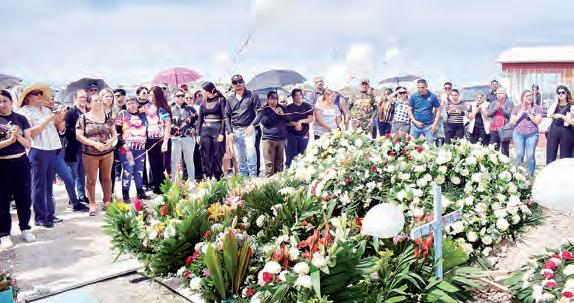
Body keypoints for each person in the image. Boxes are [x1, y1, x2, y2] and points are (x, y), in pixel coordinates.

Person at [17, 84, 62, 228]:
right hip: (37, 149)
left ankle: (49, 213)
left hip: (51, 148)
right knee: (38, 185)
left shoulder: (47, 110)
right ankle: (40, 217)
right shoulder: (24, 112)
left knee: (49, 184)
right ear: (28, 97)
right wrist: (49, 119)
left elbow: (59, 128)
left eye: (41, 93)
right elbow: (30, 133)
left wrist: (58, 119)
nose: (39, 95)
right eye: (36, 93)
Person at [0, 90, 36, 250]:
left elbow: (29, 143)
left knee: (24, 197)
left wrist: (18, 137)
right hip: (2, 165)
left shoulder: (20, 119)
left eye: (4, 101)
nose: (2, 105)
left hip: (21, 162)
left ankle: (25, 228)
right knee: (2, 201)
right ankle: (4, 234)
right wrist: (9, 141)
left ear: (11, 102)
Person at [42, 97, 88, 212]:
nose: (51, 101)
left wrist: (60, 120)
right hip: (42, 152)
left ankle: (74, 202)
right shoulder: (39, 114)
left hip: (57, 152)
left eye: (52, 98)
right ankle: (48, 210)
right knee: (46, 183)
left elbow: (62, 133)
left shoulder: (54, 114)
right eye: (49, 99)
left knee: (69, 178)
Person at [76, 92, 118, 215]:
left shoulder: (108, 117)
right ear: (88, 104)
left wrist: (111, 141)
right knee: (91, 180)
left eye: (100, 100)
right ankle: (92, 204)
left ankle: (107, 202)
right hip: (90, 154)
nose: (99, 103)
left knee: (106, 178)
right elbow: (78, 135)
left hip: (107, 152)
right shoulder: (83, 118)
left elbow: (114, 133)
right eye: (95, 101)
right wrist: (94, 144)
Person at [224, 74, 260, 177]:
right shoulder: (230, 99)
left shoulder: (252, 95)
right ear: (232, 85)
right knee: (240, 156)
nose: (238, 84)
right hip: (236, 130)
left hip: (249, 129)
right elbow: (226, 116)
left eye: (240, 82)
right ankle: (243, 181)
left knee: (251, 152)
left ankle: (253, 178)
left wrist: (253, 125)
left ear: (243, 82)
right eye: (235, 82)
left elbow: (260, 112)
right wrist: (230, 132)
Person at [115, 96, 149, 202]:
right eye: (129, 103)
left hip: (140, 149)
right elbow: (117, 132)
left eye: (133, 102)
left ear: (138, 104)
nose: (131, 105)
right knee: (128, 171)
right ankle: (125, 193)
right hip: (127, 150)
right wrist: (122, 144)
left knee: (139, 171)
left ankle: (140, 192)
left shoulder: (143, 116)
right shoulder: (123, 114)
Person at [141, 86, 172, 194]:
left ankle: (165, 187)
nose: (150, 97)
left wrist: (165, 142)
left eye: (152, 95)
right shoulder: (145, 107)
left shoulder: (163, 108)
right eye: (149, 94)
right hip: (150, 140)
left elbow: (168, 125)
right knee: (153, 164)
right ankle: (156, 186)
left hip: (161, 140)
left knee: (163, 165)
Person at [250, 91, 288, 177]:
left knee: (279, 162)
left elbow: (288, 119)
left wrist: (282, 114)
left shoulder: (282, 108)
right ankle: (270, 182)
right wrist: (275, 114)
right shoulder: (264, 109)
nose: (274, 100)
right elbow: (265, 122)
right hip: (268, 139)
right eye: (272, 98)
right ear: (267, 99)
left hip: (281, 139)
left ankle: (279, 180)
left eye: (276, 98)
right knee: (269, 163)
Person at [197, 82, 226, 179]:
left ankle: (218, 176)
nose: (202, 92)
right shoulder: (203, 102)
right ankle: (208, 176)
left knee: (217, 154)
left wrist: (222, 133)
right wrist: (198, 134)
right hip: (205, 130)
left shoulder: (221, 100)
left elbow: (224, 117)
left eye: (203, 90)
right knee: (206, 154)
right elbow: (200, 119)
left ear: (209, 90)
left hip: (217, 129)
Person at [509, 90, 542, 176]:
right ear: (522, 97)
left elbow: (538, 121)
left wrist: (530, 114)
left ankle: (530, 174)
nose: (530, 97)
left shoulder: (537, 108)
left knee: (530, 155)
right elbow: (512, 121)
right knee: (520, 154)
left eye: (531, 95)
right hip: (518, 134)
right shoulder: (517, 107)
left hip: (532, 134)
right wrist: (521, 112)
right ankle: (517, 174)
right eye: (527, 96)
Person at [65, 90, 89, 205]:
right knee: (72, 174)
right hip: (74, 147)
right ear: (76, 98)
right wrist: (79, 134)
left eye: (85, 97)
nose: (83, 99)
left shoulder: (89, 111)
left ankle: (82, 195)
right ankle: (72, 198)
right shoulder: (71, 112)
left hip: (85, 147)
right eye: (81, 97)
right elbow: (67, 130)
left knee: (82, 173)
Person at [170, 89, 198, 182]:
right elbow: (166, 122)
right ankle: (174, 183)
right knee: (175, 161)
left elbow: (197, 121)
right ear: (174, 97)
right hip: (175, 138)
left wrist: (194, 128)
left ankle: (191, 182)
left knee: (189, 160)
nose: (181, 97)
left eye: (182, 95)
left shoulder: (190, 108)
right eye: (178, 96)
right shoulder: (170, 108)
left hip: (188, 137)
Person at [284, 88, 314, 167]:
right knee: (291, 155)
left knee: (302, 154)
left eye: (300, 94)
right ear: (293, 97)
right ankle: (290, 172)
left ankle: (301, 172)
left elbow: (311, 118)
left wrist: (300, 122)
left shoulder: (307, 106)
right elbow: (285, 122)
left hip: (304, 134)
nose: (298, 97)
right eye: (296, 95)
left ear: (302, 96)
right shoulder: (288, 108)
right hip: (291, 135)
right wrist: (295, 124)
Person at [406, 79, 441, 145]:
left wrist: (435, 124)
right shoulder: (413, 96)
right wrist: (414, 121)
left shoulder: (432, 97)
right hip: (415, 126)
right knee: (410, 145)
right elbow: (409, 110)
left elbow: (439, 110)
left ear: (426, 86)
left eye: (422, 87)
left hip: (428, 127)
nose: (420, 89)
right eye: (419, 87)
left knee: (430, 147)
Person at [546, 85, 574, 164]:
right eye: (559, 93)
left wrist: (562, 116)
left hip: (566, 131)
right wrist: (556, 102)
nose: (561, 94)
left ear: (567, 94)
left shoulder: (571, 106)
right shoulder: (554, 105)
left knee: (565, 157)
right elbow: (549, 114)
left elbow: (572, 122)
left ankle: (564, 174)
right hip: (554, 130)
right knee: (550, 154)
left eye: (563, 92)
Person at [487, 87, 514, 157]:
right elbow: (489, 114)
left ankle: (505, 166)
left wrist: (501, 108)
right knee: (493, 150)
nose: (499, 95)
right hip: (494, 129)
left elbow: (509, 115)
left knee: (505, 150)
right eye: (498, 93)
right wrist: (495, 109)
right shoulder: (493, 103)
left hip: (504, 129)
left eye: (501, 93)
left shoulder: (509, 102)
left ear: (505, 94)